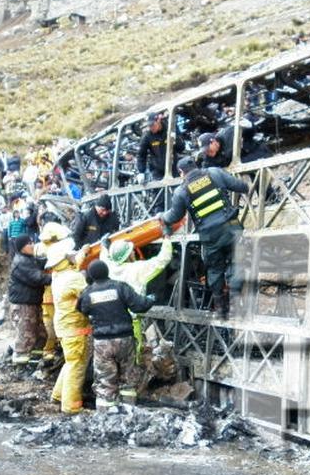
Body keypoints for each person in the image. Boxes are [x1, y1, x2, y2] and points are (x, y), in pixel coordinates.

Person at [158, 157, 249, 318]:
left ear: (181, 173)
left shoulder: (181, 191)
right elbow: (241, 187)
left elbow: (174, 216)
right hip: (231, 228)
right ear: (196, 165)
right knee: (237, 262)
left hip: (209, 236)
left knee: (214, 269)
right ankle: (235, 302)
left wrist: (162, 217)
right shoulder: (214, 173)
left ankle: (221, 308)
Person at [77, 260, 155, 411]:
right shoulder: (120, 287)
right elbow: (140, 305)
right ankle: (129, 411)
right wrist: (151, 299)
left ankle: (106, 415)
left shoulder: (87, 292)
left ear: (91, 275)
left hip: (102, 344)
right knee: (128, 377)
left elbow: (82, 309)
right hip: (124, 340)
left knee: (105, 380)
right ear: (107, 271)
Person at [101, 236, 173, 355]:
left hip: (113, 320)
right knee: (133, 353)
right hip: (132, 321)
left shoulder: (110, 269)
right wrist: (166, 238)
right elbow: (162, 260)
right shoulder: (137, 269)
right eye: (132, 251)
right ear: (128, 255)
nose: (134, 252)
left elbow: (105, 259)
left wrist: (104, 247)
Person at [46, 238, 91, 414]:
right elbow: (88, 296)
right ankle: (71, 407)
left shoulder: (59, 274)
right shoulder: (74, 279)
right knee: (76, 366)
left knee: (70, 362)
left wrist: (82, 254)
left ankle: (58, 395)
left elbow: (74, 265)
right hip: (74, 328)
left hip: (64, 327)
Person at [7, 234, 49, 365]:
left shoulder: (29, 259)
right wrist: (60, 277)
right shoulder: (21, 262)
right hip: (23, 305)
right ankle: (20, 365)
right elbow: (37, 278)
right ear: (22, 248)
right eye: (29, 243)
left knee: (39, 333)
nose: (32, 245)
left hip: (33, 303)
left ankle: (34, 360)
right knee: (26, 334)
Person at [36, 222, 70, 364]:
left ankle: (54, 349)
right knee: (51, 326)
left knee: (56, 324)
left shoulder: (52, 248)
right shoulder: (41, 250)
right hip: (50, 294)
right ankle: (49, 351)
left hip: (56, 293)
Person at [136, 113, 180, 183]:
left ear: (158, 120)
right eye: (149, 126)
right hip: (157, 171)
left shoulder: (169, 128)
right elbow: (141, 155)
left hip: (174, 168)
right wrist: (141, 171)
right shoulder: (147, 136)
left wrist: (176, 139)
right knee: (159, 192)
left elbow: (181, 148)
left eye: (152, 125)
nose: (151, 128)